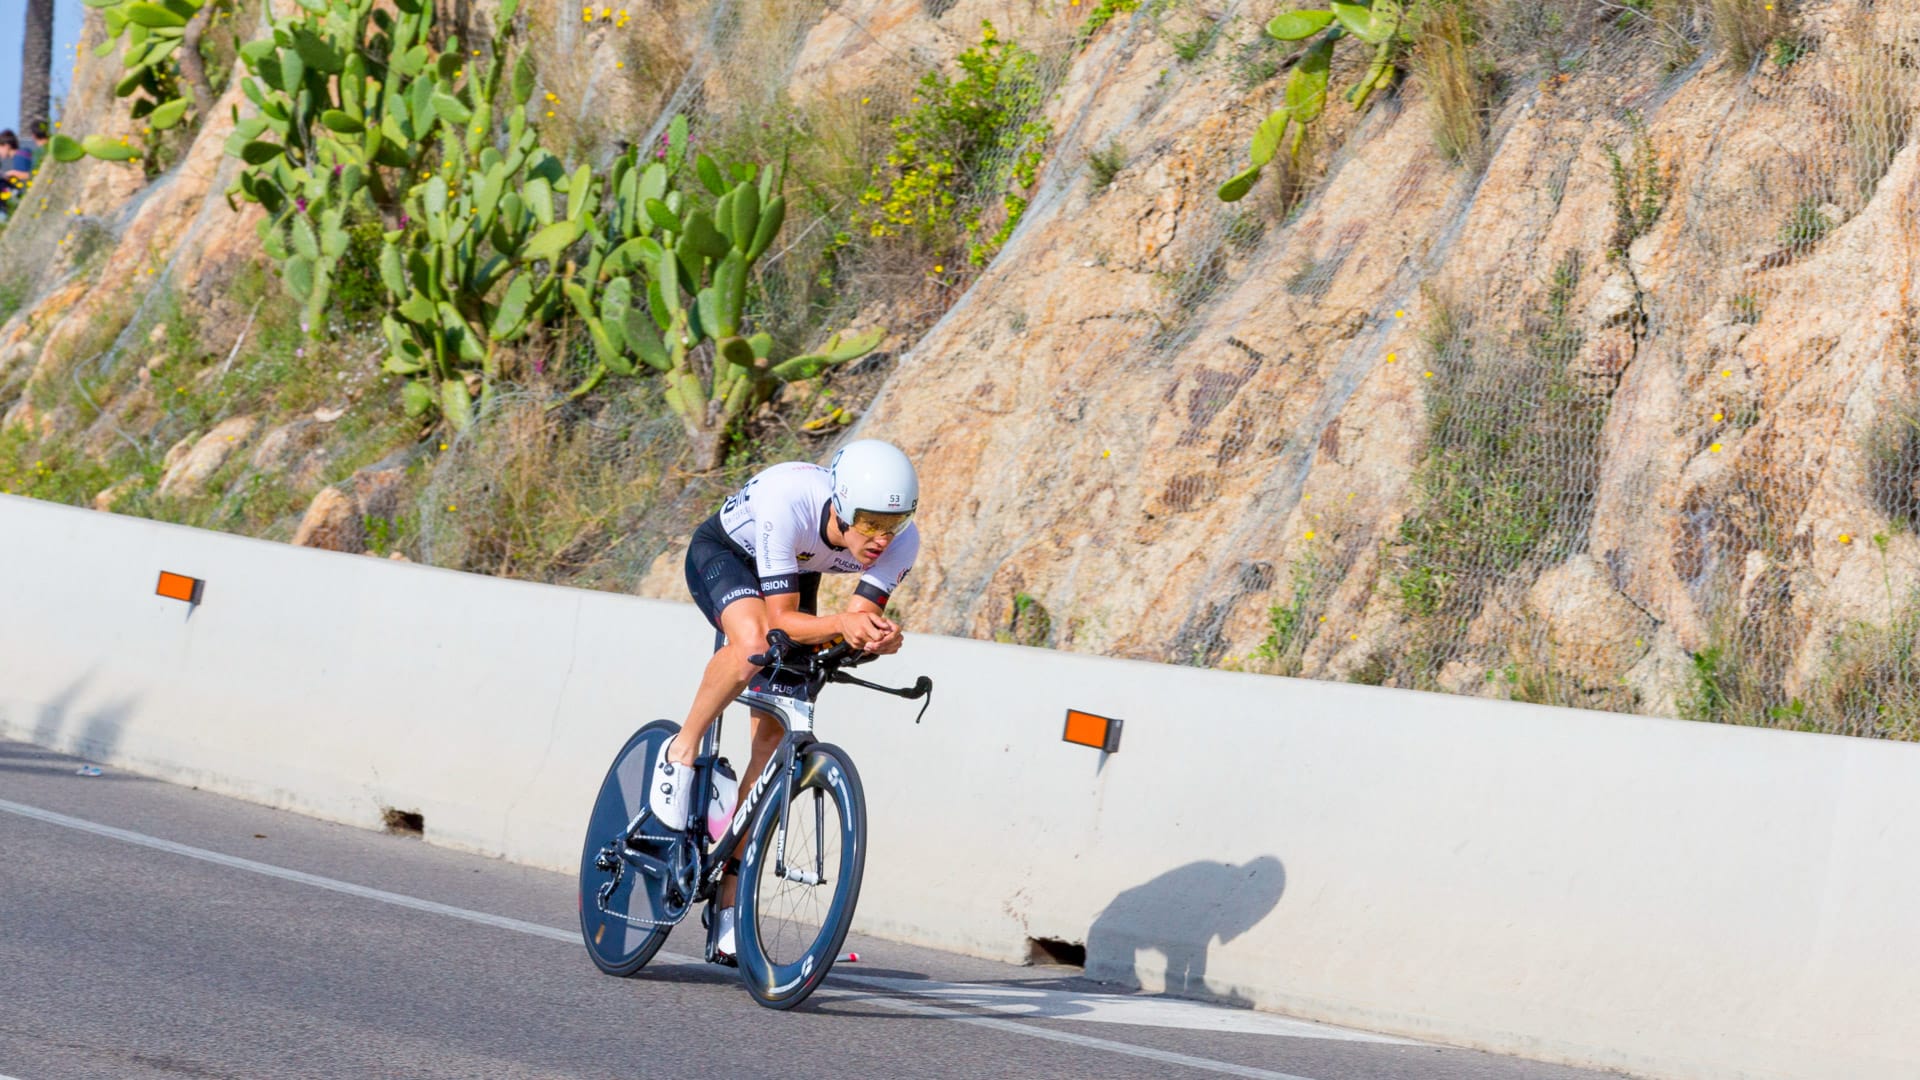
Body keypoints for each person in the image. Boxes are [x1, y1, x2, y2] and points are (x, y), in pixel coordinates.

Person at [657, 438, 921, 960]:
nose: (879, 538)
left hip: (796, 575)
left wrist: (874, 637)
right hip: (728, 555)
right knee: (754, 644)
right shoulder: (790, 496)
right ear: (841, 503)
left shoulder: (901, 544)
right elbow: (780, 620)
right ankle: (680, 752)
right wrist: (841, 624)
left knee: (773, 737)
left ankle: (728, 901)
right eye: (868, 522)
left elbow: (847, 623)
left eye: (893, 524)